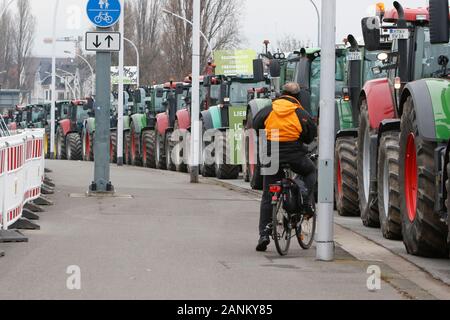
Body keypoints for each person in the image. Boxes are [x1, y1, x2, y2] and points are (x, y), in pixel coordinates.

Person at [252, 82, 318, 252]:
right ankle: (304, 202)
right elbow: (311, 136)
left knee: (268, 193)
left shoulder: (269, 109)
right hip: (294, 154)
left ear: (282, 94)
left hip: (271, 154)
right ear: (297, 97)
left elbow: (256, 123)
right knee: (310, 170)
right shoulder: (300, 113)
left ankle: (264, 234)